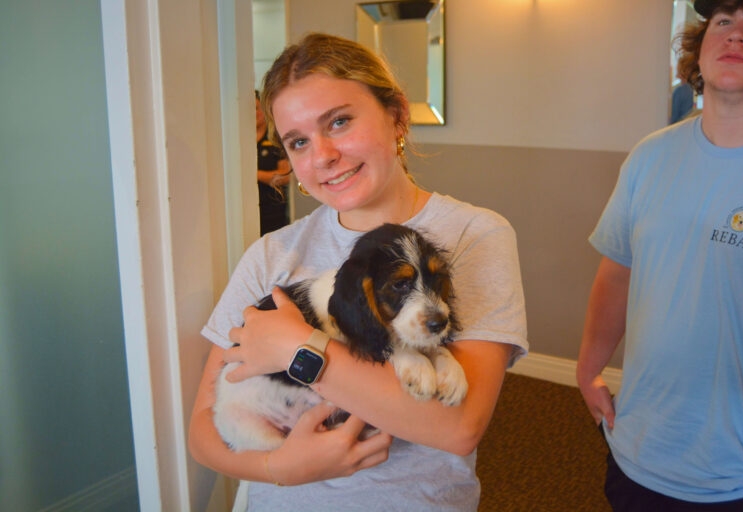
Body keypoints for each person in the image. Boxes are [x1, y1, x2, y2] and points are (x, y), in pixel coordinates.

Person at [188, 33, 528, 511]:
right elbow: (205, 427)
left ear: (397, 116)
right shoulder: (270, 255)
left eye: (340, 121)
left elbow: (459, 427)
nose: (322, 155)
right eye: (298, 141)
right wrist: (278, 469)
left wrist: (299, 349)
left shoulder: (475, 235)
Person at [577, 0, 743, 510]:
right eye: (724, 21)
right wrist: (588, 365)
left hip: (742, 472)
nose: (737, 35)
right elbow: (618, 271)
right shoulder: (650, 155)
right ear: (698, 49)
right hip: (638, 444)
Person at [254, 90, 292, 234]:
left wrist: (253, 174)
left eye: (257, 108)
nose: (254, 113)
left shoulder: (275, 140)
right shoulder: (241, 143)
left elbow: (283, 177)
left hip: (273, 213)